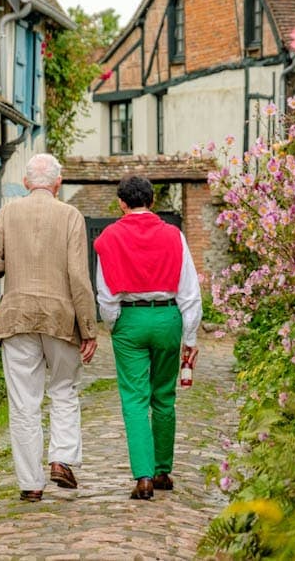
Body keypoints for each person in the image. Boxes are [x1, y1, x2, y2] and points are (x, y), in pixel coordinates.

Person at [0, 153, 98, 502]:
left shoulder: (7, 213)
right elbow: (78, 276)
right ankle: (61, 459)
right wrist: (88, 328)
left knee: (24, 402)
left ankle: (30, 483)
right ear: (58, 183)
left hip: (16, 318)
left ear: (28, 182)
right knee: (63, 389)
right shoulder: (70, 216)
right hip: (61, 317)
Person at [93, 175, 201, 500]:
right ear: (152, 201)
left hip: (130, 318)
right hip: (168, 315)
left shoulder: (109, 238)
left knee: (134, 399)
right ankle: (163, 470)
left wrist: (115, 324)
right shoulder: (174, 236)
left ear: (121, 203)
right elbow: (189, 290)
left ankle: (143, 477)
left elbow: (105, 293)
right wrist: (190, 335)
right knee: (164, 396)